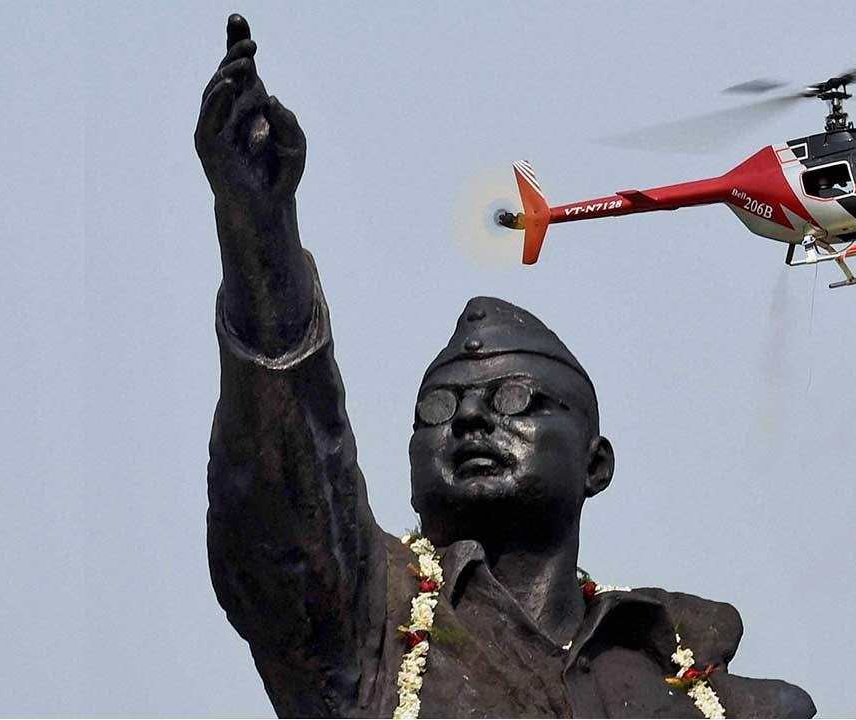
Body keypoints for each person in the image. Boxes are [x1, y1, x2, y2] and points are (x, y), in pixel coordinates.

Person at [198, 14, 815, 718]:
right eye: (436, 409)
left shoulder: (709, 696)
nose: (467, 418)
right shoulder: (367, 625)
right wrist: (260, 229)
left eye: (517, 399)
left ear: (596, 464)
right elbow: (286, 497)